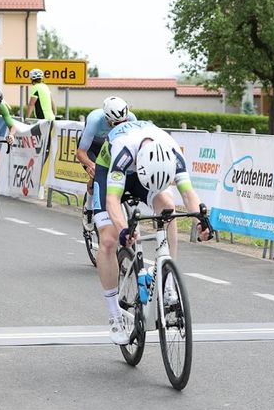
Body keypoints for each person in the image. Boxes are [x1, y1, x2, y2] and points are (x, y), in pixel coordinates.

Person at [91, 119, 212, 343]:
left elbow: (188, 194)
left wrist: (201, 221)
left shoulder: (173, 153)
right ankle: (115, 315)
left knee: (168, 208)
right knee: (108, 240)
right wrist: (123, 230)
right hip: (109, 173)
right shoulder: (123, 150)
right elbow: (112, 200)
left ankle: (167, 279)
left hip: (144, 178)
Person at [77, 96, 136, 229]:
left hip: (112, 145)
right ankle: (89, 208)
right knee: (96, 175)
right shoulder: (95, 120)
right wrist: (91, 165)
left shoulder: (132, 118)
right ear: (107, 118)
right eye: (116, 123)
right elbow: (80, 153)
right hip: (93, 146)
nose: (120, 126)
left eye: (124, 122)